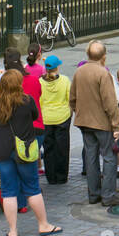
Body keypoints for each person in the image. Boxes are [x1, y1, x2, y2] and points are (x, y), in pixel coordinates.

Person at [0, 69, 62, 236]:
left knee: (8, 190)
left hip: (2, 150)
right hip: (24, 150)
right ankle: (43, 225)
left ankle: (13, 230)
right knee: (32, 188)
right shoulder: (27, 101)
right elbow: (35, 116)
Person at [71, 41, 119, 207]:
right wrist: (116, 126)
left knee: (91, 157)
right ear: (104, 56)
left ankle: (93, 194)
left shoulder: (79, 72)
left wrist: (78, 111)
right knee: (109, 157)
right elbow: (110, 103)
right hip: (102, 123)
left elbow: (72, 98)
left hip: (84, 122)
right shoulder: (103, 73)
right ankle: (108, 195)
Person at [38, 54, 72, 185]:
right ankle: (62, 176)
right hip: (62, 117)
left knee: (48, 148)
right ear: (57, 67)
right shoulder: (64, 80)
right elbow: (70, 98)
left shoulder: (40, 82)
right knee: (62, 148)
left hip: (46, 118)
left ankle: (51, 177)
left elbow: (39, 100)